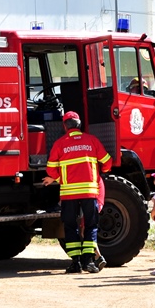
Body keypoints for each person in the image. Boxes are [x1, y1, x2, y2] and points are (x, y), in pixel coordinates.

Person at [43, 111, 111, 273]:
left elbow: (51, 170)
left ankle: (75, 263)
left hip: (69, 194)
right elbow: (107, 162)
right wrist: (99, 172)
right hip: (89, 193)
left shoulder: (60, 144)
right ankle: (88, 262)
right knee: (91, 226)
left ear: (65, 126)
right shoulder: (92, 140)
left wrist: (60, 178)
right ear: (79, 124)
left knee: (71, 227)